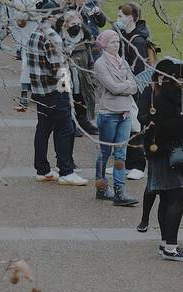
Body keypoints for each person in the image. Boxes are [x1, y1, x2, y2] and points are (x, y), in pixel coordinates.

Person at [133, 60, 183, 260]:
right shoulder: (181, 99)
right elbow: (176, 128)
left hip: (158, 153)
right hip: (172, 154)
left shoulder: (162, 96)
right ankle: (171, 247)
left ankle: (165, 243)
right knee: (178, 196)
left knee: (166, 197)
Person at [24, 1, 86, 185]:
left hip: (39, 91)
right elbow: (59, 70)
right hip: (54, 91)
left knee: (43, 129)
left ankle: (42, 169)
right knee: (65, 128)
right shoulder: (52, 37)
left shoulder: (34, 34)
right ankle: (67, 171)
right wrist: (67, 93)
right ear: (51, 15)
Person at [91, 29, 139, 207]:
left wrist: (124, 85)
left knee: (121, 154)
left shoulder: (123, 62)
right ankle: (101, 188)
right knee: (105, 153)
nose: (117, 45)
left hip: (125, 113)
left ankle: (120, 192)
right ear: (104, 44)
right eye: (112, 42)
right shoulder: (100, 64)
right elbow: (113, 88)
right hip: (108, 113)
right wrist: (125, 85)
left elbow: (134, 86)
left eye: (118, 42)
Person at [117, 4, 157, 180]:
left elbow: (138, 70)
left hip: (135, 91)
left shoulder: (138, 40)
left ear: (131, 17)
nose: (118, 19)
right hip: (128, 88)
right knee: (127, 127)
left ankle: (138, 165)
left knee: (135, 127)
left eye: (121, 16)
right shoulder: (129, 37)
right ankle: (128, 164)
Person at [59, 9, 98, 135]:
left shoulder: (84, 40)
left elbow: (90, 62)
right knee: (68, 99)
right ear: (66, 25)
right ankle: (70, 122)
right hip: (66, 76)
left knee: (82, 97)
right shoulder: (60, 40)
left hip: (82, 77)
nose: (75, 27)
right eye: (72, 24)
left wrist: (92, 79)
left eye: (78, 24)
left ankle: (83, 122)